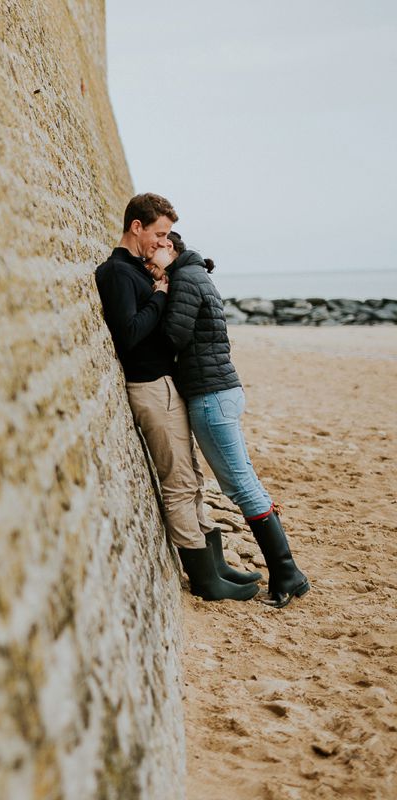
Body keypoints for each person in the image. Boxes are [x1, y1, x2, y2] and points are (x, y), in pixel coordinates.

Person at [94, 194, 259, 602]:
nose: (164, 242)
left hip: (166, 385)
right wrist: (163, 295)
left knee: (192, 478)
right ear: (137, 227)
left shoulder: (138, 269)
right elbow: (129, 334)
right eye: (159, 233)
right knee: (180, 483)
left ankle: (216, 565)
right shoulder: (116, 272)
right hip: (150, 387)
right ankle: (204, 578)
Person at [155, 231, 310, 607]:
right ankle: (287, 571)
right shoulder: (195, 276)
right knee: (245, 483)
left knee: (241, 486)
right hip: (220, 392)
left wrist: (156, 298)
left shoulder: (186, 280)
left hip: (211, 397)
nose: (150, 259)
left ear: (170, 248)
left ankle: (288, 573)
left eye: (155, 250)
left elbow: (173, 335)